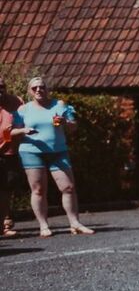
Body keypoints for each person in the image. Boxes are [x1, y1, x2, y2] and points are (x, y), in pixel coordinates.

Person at [16, 76, 94, 237]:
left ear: (47, 89)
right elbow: (10, 132)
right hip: (31, 151)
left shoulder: (58, 105)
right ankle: (43, 225)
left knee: (68, 187)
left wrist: (65, 122)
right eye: (35, 88)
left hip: (58, 151)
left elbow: (74, 127)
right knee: (38, 189)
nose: (39, 90)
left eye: (42, 87)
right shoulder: (23, 110)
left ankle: (75, 223)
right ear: (29, 91)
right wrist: (23, 131)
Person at [0, 78, 23, 237]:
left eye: (2, 86)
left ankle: (3, 225)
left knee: (6, 189)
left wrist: (6, 141)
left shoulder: (16, 102)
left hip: (9, 153)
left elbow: (18, 126)